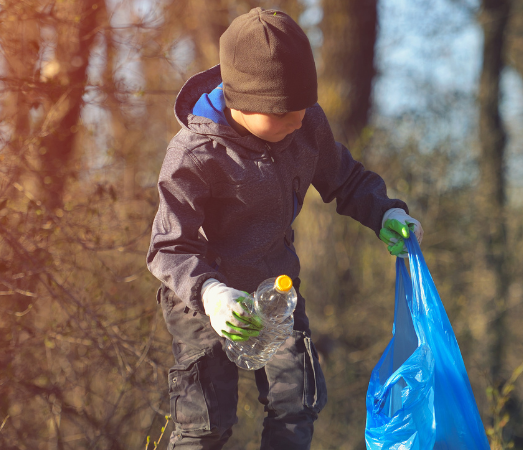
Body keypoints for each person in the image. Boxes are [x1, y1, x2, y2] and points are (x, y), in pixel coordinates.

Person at [146, 8, 423, 450]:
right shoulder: (195, 153)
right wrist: (213, 296)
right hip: (201, 299)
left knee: (297, 402)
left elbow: (346, 179)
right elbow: (168, 247)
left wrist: (385, 213)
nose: (300, 121)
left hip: (275, 287)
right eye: (285, 113)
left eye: (304, 108)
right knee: (206, 422)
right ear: (244, 103)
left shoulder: (305, 125)